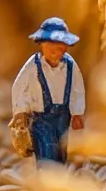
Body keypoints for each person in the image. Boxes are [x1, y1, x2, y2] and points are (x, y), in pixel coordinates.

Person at [11, 17, 85, 166]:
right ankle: (46, 180)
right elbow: (19, 86)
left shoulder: (70, 66)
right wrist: (21, 111)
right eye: (50, 43)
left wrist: (77, 112)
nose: (55, 49)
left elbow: (77, 89)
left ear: (66, 45)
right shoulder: (33, 65)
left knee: (60, 153)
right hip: (41, 118)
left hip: (63, 117)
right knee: (45, 150)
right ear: (41, 44)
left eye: (60, 44)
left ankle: (57, 182)